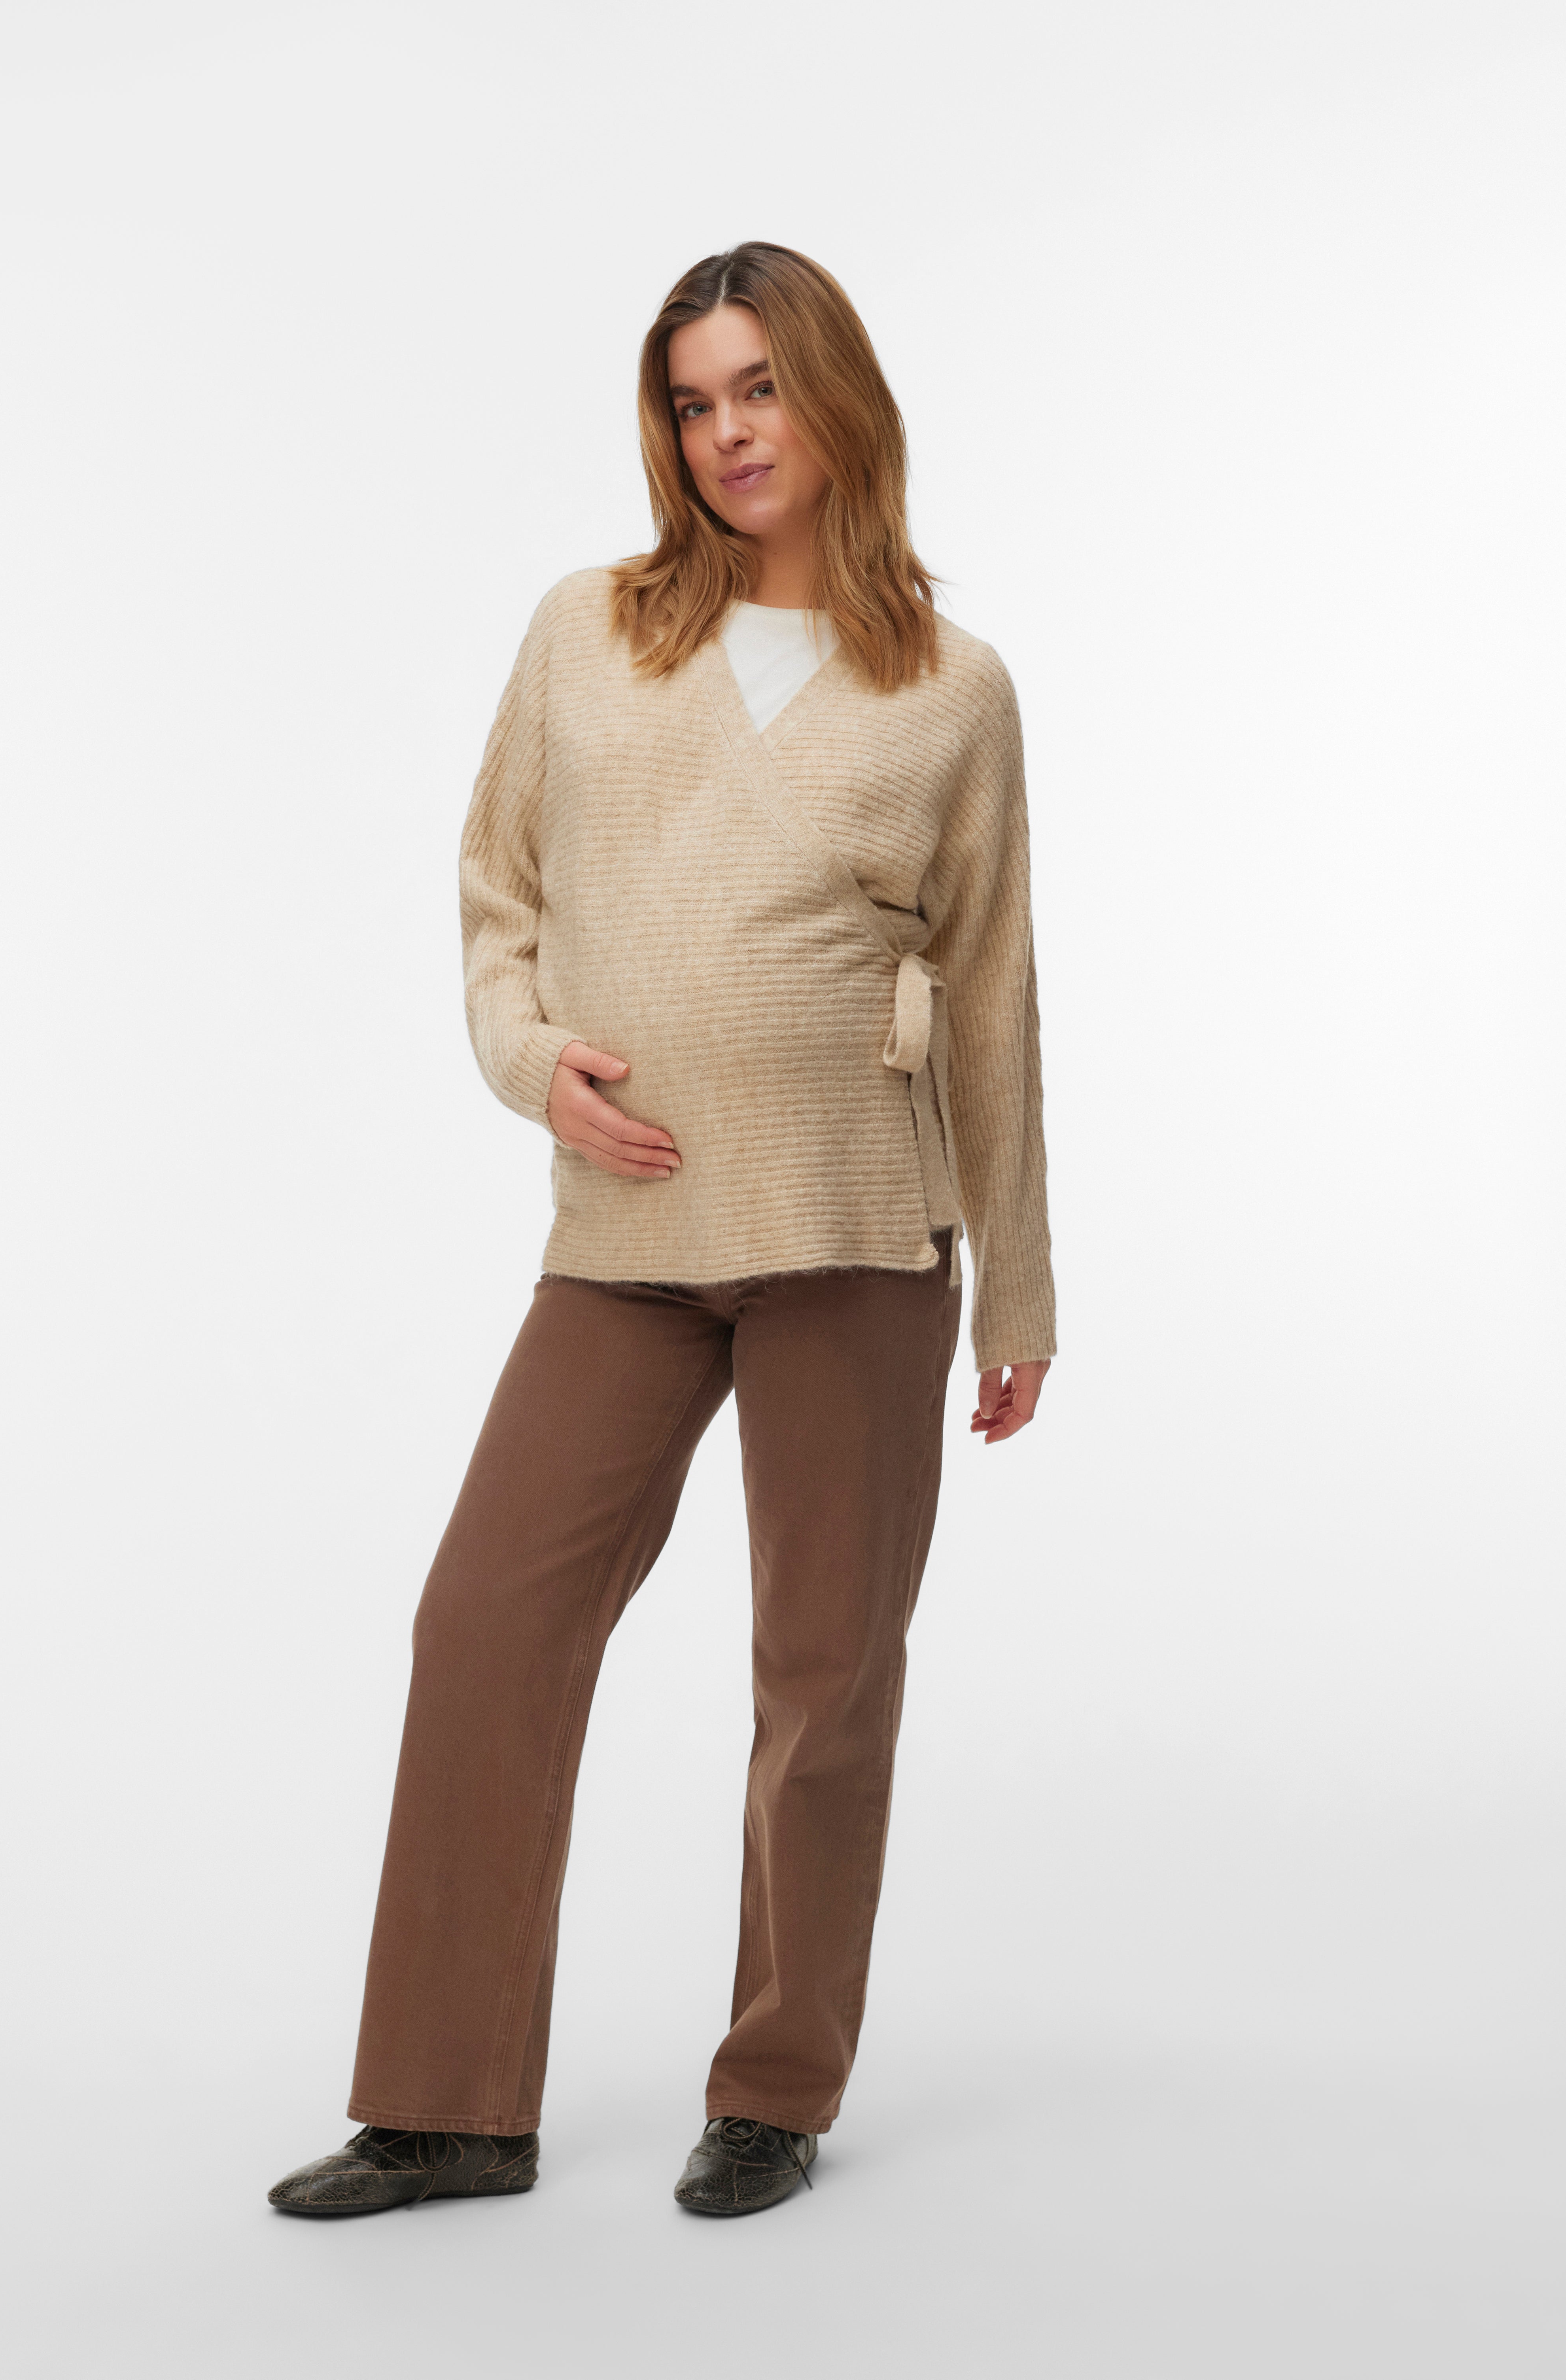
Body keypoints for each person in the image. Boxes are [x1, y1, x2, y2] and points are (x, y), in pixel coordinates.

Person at [268, 240, 1055, 2223]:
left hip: (856, 1227)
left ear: (836, 397)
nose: (726, 434)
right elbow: (496, 894)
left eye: (759, 389)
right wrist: (532, 1061)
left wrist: (1016, 1292)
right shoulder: (585, 630)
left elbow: (991, 999)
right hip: (623, 1230)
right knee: (487, 1618)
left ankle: (775, 2085)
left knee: (822, 1669)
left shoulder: (951, 688)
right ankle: (447, 2105)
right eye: (694, 402)